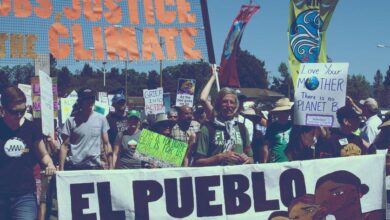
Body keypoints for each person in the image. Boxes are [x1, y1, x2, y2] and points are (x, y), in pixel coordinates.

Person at [0, 86, 56, 219]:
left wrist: (50, 164)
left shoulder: (32, 129)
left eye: (22, 110)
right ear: (3, 109)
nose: (19, 115)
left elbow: (44, 155)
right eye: (14, 112)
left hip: (24, 195)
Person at [192, 87, 253, 166]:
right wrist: (219, 157)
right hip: (215, 177)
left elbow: (251, 158)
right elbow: (197, 162)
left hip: (237, 177)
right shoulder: (208, 129)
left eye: (232, 102)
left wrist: (247, 159)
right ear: (218, 105)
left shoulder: (242, 129)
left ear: (236, 106)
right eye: (224, 102)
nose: (228, 105)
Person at [59, 88, 113, 170]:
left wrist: (111, 166)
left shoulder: (101, 119)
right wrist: (61, 169)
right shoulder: (71, 120)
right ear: (80, 101)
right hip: (75, 167)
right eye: (86, 99)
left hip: (94, 167)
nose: (90, 101)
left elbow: (106, 143)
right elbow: (64, 146)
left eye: (92, 99)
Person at [314, 170, 384, 220]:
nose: (325, 201)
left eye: (336, 193)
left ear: (357, 193)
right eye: (320, 196)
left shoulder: (378, 215)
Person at [261, 98, 293, 163]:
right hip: (274, 162)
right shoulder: (272, 127)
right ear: (277, 113)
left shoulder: (293, 126)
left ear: (289, 113)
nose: (283, 115)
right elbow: (266, 146)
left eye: (286, 112)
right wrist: (264, 162)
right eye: (281, 112)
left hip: (291, 162)